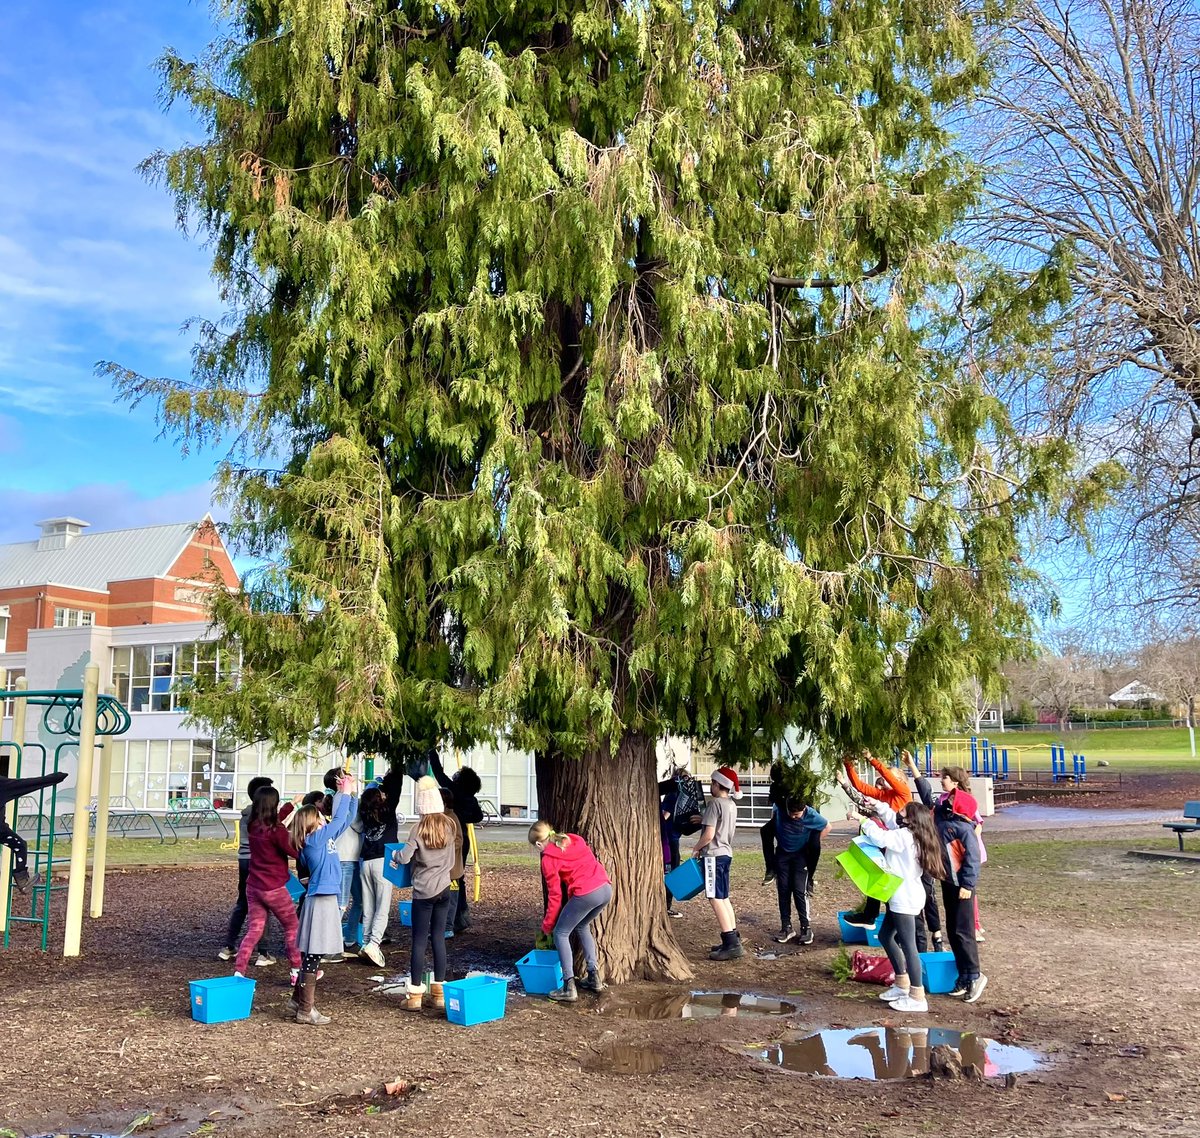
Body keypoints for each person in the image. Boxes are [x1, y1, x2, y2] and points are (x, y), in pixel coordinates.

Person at [856, 801, 947, 1013]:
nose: (899, 812)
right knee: (886, 936)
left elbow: (880, 836)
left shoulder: (905, 837)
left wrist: (862, 820)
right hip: (902, 896)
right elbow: (890, 820)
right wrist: (878, 805)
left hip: (904, 899)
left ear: (910, 818)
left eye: (903, 811)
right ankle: (901, 983)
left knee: (908, 946)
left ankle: (917, 996)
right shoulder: (910, 834)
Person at [288, 774, 357, 1025]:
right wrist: (345, 792)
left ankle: (299, 1001)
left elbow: (345, 819)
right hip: (321, 899)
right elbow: (339, 819)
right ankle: (306, 1009)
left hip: (322, 896)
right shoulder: (316, 839)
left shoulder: (318, 839)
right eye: (319, 815)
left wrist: (349, 795)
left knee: (312, 954)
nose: (323, 816)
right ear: (314, 821)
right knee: (314, 954)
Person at [529, 820, 612, 1003]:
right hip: (605, 889)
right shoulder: (574, 839)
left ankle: (568, 986)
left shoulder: (548, 859)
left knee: (561, 933)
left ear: (538, 844)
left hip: (587, 893)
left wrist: (547, 925)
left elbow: (555, 896)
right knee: (582, 926)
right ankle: (594, 977)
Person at [393, 776, 456, 1012]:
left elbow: (405, 857)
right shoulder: (449, 825)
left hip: (423, 891)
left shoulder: (418, 829)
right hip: (444, 889)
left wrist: (395, 857)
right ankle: (439, 993)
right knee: (438, 938)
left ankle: (415, 995)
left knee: (419, 941)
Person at [233, 786, 303, 981]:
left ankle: (239, 972)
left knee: (254, 929)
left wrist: (292, 805)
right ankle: (296, 971)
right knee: (291, 927)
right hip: (274, 889)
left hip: (253, 886)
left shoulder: (253, 825)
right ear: (274, 804)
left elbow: (275, 820)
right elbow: (295, 851)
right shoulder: (277, 832)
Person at [934, 788, 986, 1003]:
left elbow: (972, 860)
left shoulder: (964, 829)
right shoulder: (944, 821)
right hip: (948, 883)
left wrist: (967, 884)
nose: (949, 800)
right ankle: (963, 975)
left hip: (962, 887)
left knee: (964, 932)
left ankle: (975, 975)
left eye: (953, 799)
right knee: (952, 930)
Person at [219, 775, 276, 963]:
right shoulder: (263, 815)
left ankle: (228, 946)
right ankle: (263, 952)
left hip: (244, 861)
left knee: (243, 902)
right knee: (264, 904)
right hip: (259, 863)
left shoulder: (246, 814)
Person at [692, 766, 742, 961]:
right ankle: (733, 936)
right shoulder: (731, 805)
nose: (710, 787)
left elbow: (710, 834)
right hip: (726, 854)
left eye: (712, 783)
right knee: (724, 896)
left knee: (714, 897)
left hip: (712, 855)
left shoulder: (714, 804)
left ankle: (730, 943)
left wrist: (696, 847)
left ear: (718, 784)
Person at [430, 754, 483, 932]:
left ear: (461, 781)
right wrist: (464, 816)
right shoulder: (470, 798)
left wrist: (432, 752)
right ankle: (460, 914)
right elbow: (478, 816)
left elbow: (438, 773)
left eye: (457, 775)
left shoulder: (454, 790)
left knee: (449, 876)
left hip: (451, 839)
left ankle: (449, 918)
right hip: (464, 840)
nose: (454, 777)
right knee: (458, 876)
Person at [773, 795, 830, 945]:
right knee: (783, 889)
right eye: (790, 813)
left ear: (804, 810)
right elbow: (774, 817)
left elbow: (827, 827)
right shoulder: (779, 808)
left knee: (799, 890)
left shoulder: (812, 815)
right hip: (782, 854)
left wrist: (812, 843)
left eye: (796, 814)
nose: (792, 816)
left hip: (800, 856)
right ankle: (786, 927)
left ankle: (806, 927)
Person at [0, 771, 68, 893]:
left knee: (18, 844)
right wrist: (53, 778)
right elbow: (27, 784)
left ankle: (22, 880)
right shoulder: (3, 784)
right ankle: (22, 881)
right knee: (19, 845)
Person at [321, 766, 362, 959]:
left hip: (352, 855)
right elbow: (351, 821)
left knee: (358, 901)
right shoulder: (341, 798)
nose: (351, 776)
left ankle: (349, 937)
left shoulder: (347, 797)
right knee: (342, 903)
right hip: (345, 855)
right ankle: (330, 948)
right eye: (346, 775)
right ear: (339, 780)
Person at [356, 786, 397, 968]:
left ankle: (365, 942)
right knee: (382, 906)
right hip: (382, 862)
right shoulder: (388, 812)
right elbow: (394, 793)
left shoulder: (365, 813)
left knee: (369, 906)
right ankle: (374, 943)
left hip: (366, 862)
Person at [759, 762, 786, 886]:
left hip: (788, 817)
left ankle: (771, 868)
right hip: (780, 817)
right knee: (765, 831)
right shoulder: (775, 786)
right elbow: (772, 800)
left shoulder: (784, 785)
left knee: (768, 832)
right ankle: (770, 868)